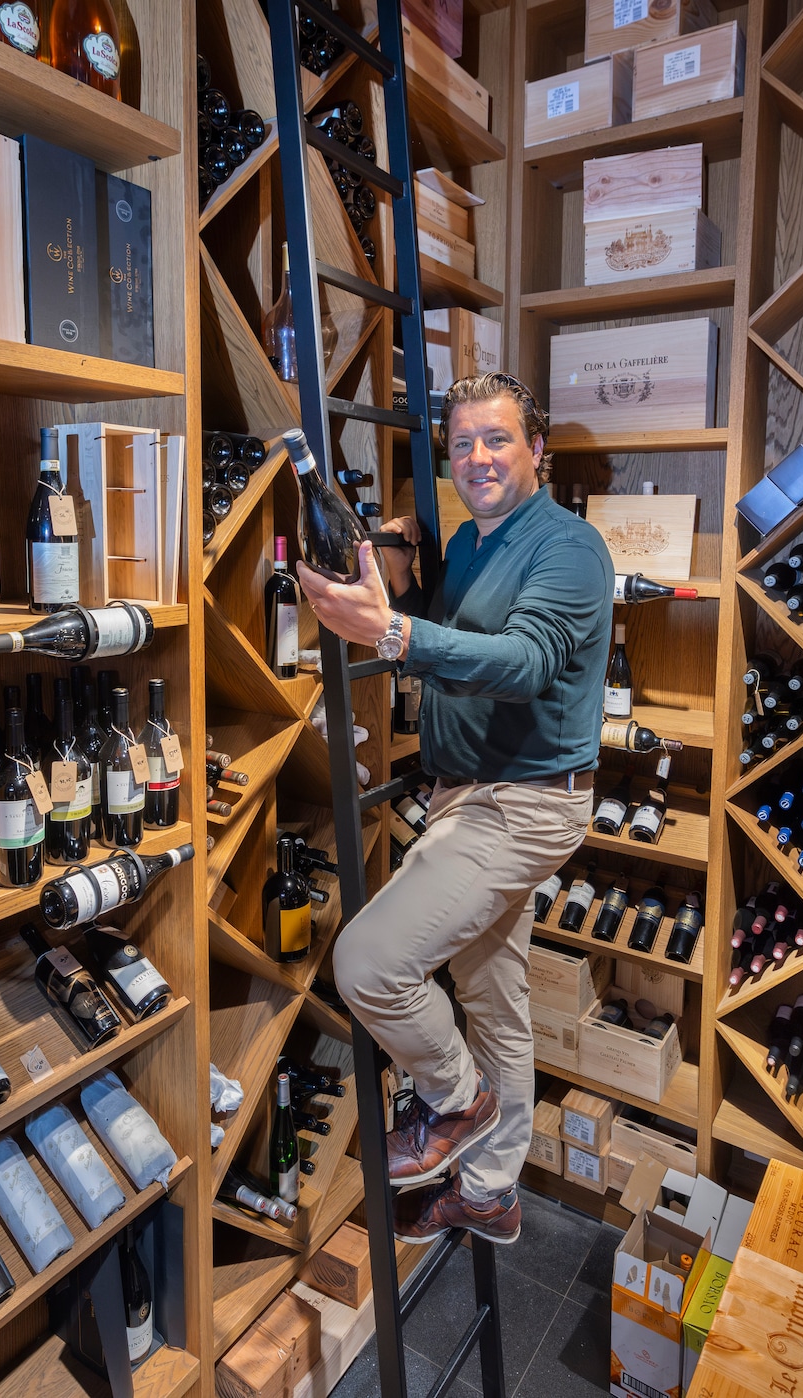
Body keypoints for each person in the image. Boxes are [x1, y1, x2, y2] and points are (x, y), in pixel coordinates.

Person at [295, 372, 612, 1243]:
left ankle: (455, 1102)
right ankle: (488, 1193)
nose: (478, 457)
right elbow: (454, 634)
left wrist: (393, 632)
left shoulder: (570, 547)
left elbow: (526, 663)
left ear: (536, 450)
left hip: (520, 804)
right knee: (494, 1002)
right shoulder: (470, 541)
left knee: (369, 964)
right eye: (463, 443)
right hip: (468, 795)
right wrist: (399, 574)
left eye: (497, 439)